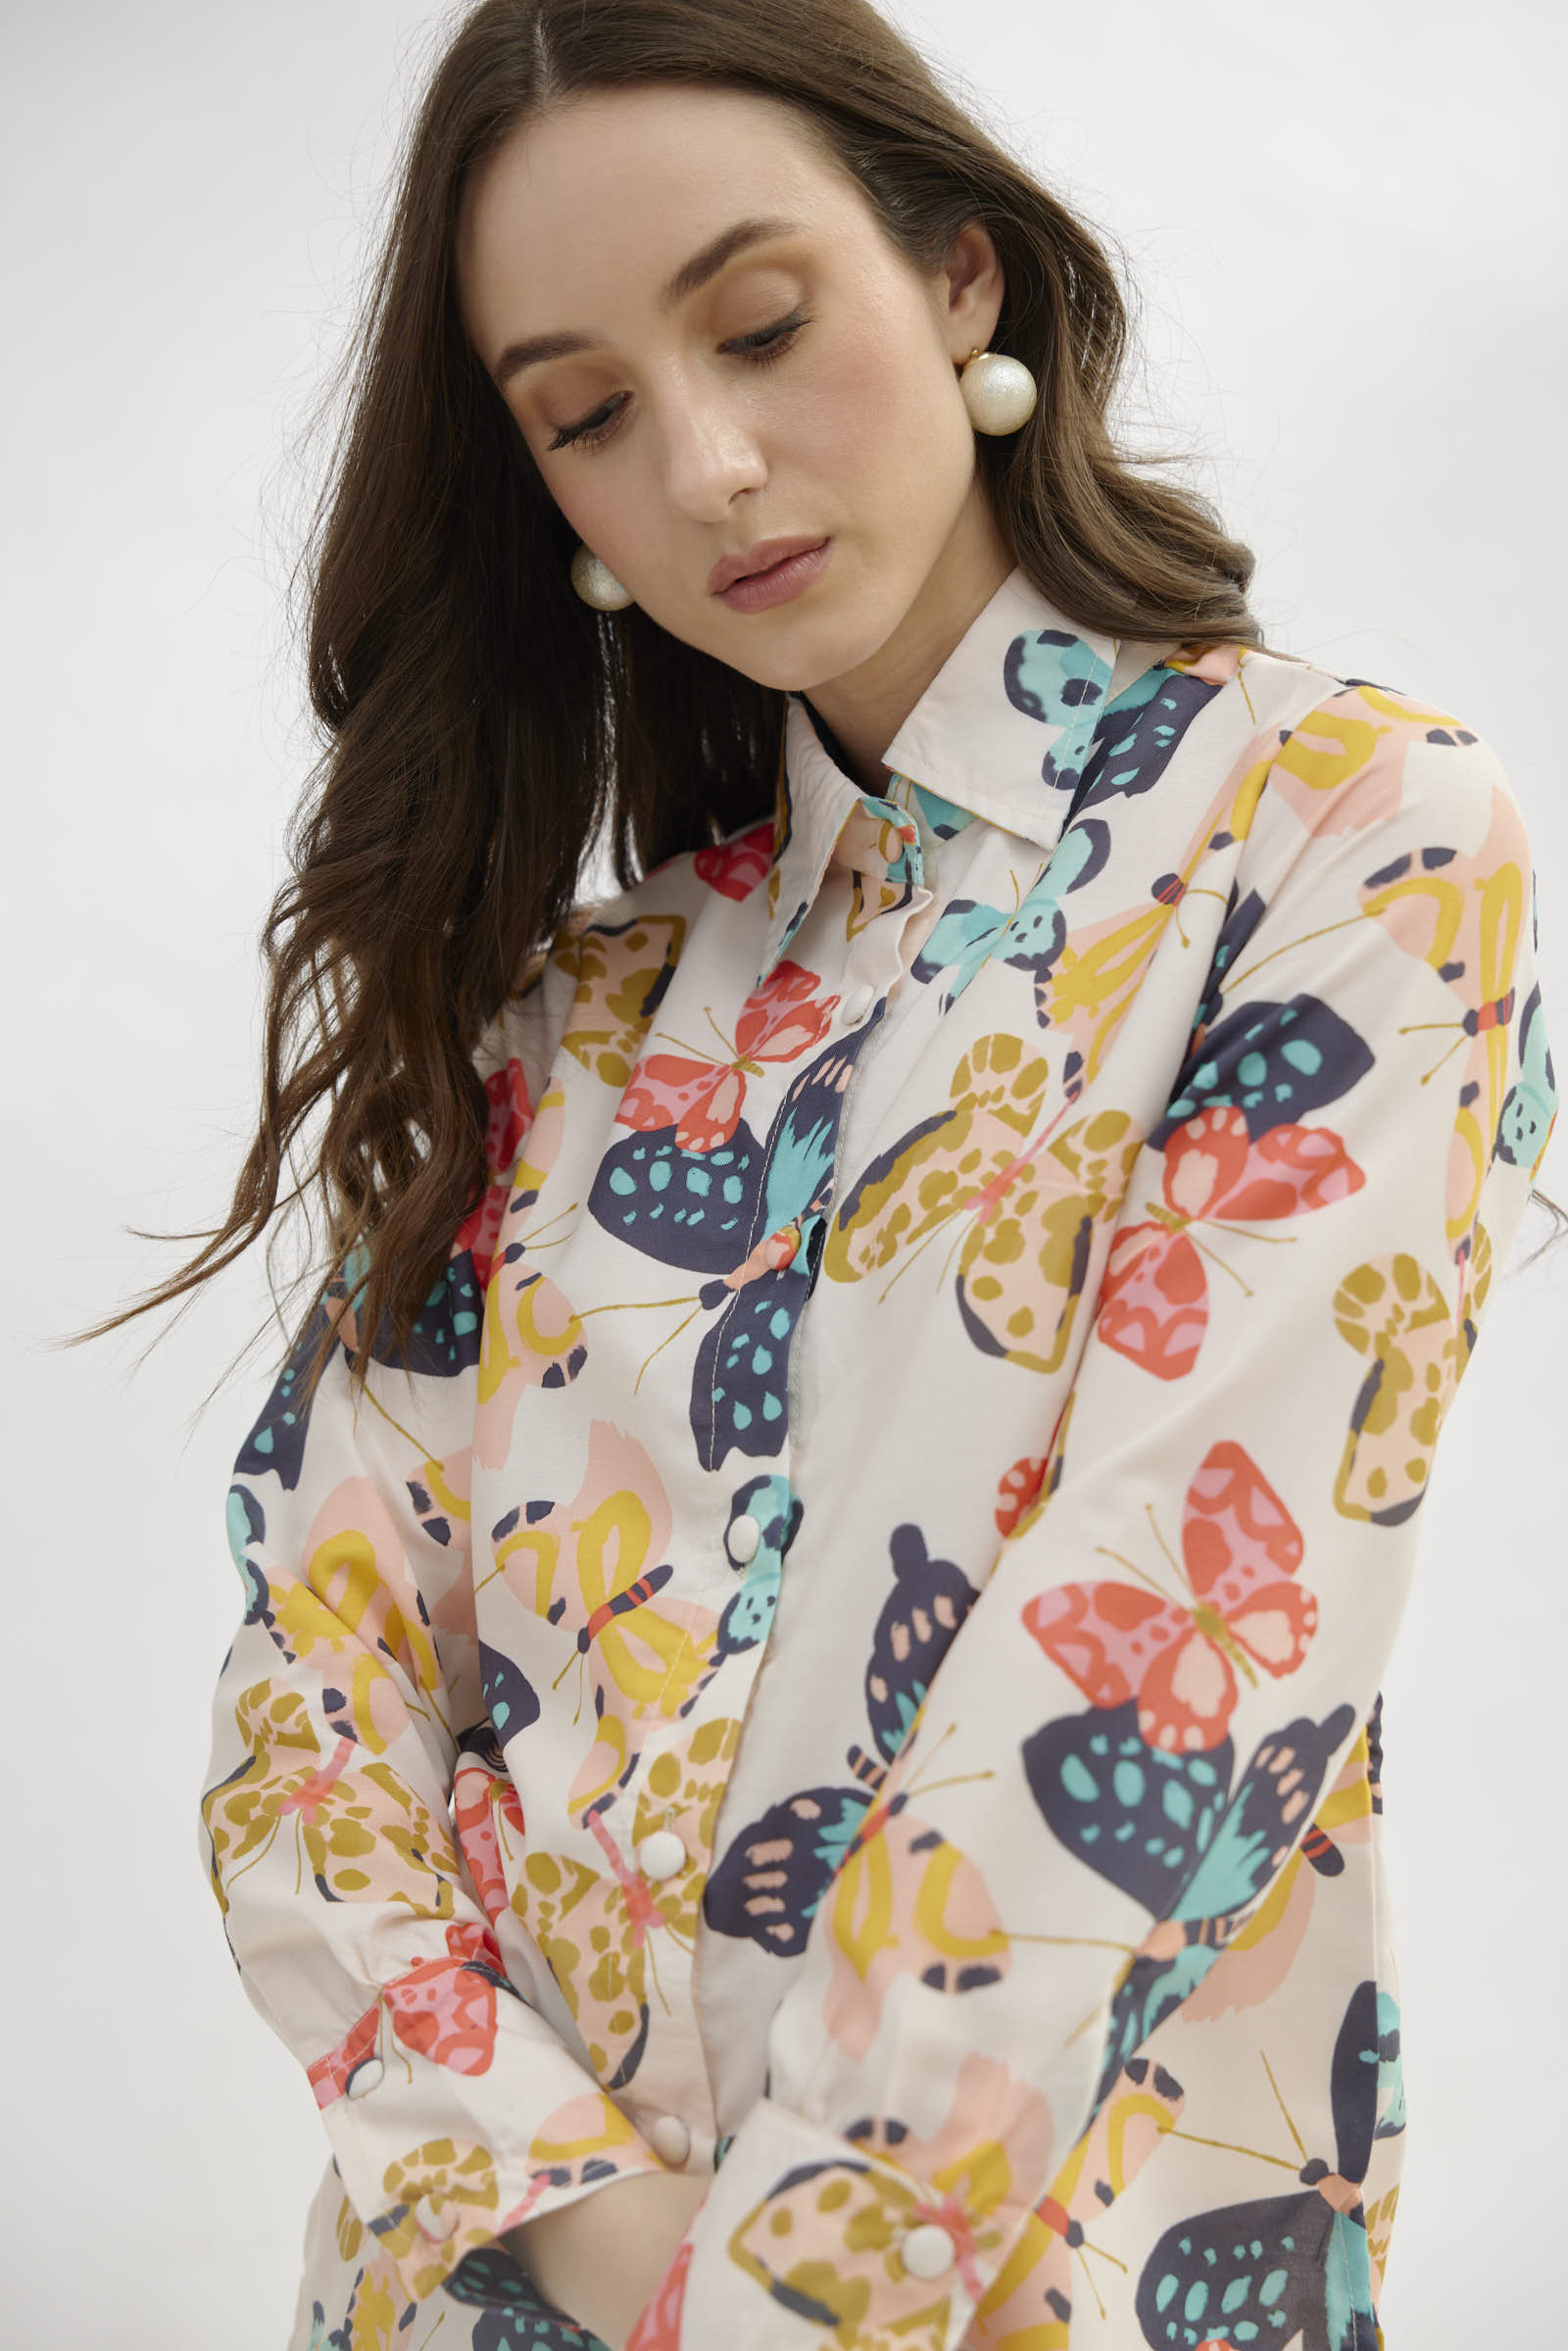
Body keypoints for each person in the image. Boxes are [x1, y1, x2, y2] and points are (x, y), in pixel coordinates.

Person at [117, 2, 1556, 2345]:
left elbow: (1172, 1650)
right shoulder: (571, 1015)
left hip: (1042, 2283)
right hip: (491, 2292)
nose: (705, 466)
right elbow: (313, 1699)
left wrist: (773, 2294)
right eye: (586, 415)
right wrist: (579, 2220)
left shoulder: (1333, 842)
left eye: (763, 325)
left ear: (959, 277)